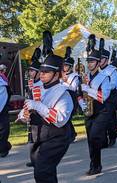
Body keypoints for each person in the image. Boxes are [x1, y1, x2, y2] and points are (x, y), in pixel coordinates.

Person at [18, 54, 76, 183]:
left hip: (56, 138)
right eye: (41, 71)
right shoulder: (36, 89)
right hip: (38, 137)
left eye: (46, 72)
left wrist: (38, 106)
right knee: (44, 173)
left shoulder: (64, 93)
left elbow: (60, 119)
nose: (42, 74)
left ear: (56, 74)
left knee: (43, 172)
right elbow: (27, 110)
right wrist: (23, 115)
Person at [81, 50, 111, 175]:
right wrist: (81, 103)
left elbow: (104, 96)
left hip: (101, 111)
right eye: (88, 61)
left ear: (98, 63)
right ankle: (94, 164)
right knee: (90, 139)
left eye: (92, 61)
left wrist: (89, 90)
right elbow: (79, 94)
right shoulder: (85, 77)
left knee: (94, 137)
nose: (89, 64)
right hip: (89, 111)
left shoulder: (104, 77)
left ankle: (96, 165)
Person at [99, 40, 117, 147]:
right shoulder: (96, 70)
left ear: (106, 59)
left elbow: (114, 85)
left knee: (110, 120)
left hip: (110, 97)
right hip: (99, 96)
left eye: (102, 59)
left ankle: (112, 136)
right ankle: (103, 141)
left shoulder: (112, 70)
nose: (99, 61)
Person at [24, 48, 43, 167]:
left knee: (39, 138)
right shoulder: (32, 83)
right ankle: (34, 159)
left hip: (40, 113)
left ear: (37, 72)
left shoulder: (41, 84)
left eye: (32, 71)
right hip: (33, 114)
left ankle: (39, 160)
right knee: (34, 138)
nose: (30, 73)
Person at [0, 64, 11, 158]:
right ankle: (5, 146)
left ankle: (4, 148)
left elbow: (4, 97)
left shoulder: (3, 81)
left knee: (4, 130)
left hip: (3, 109)